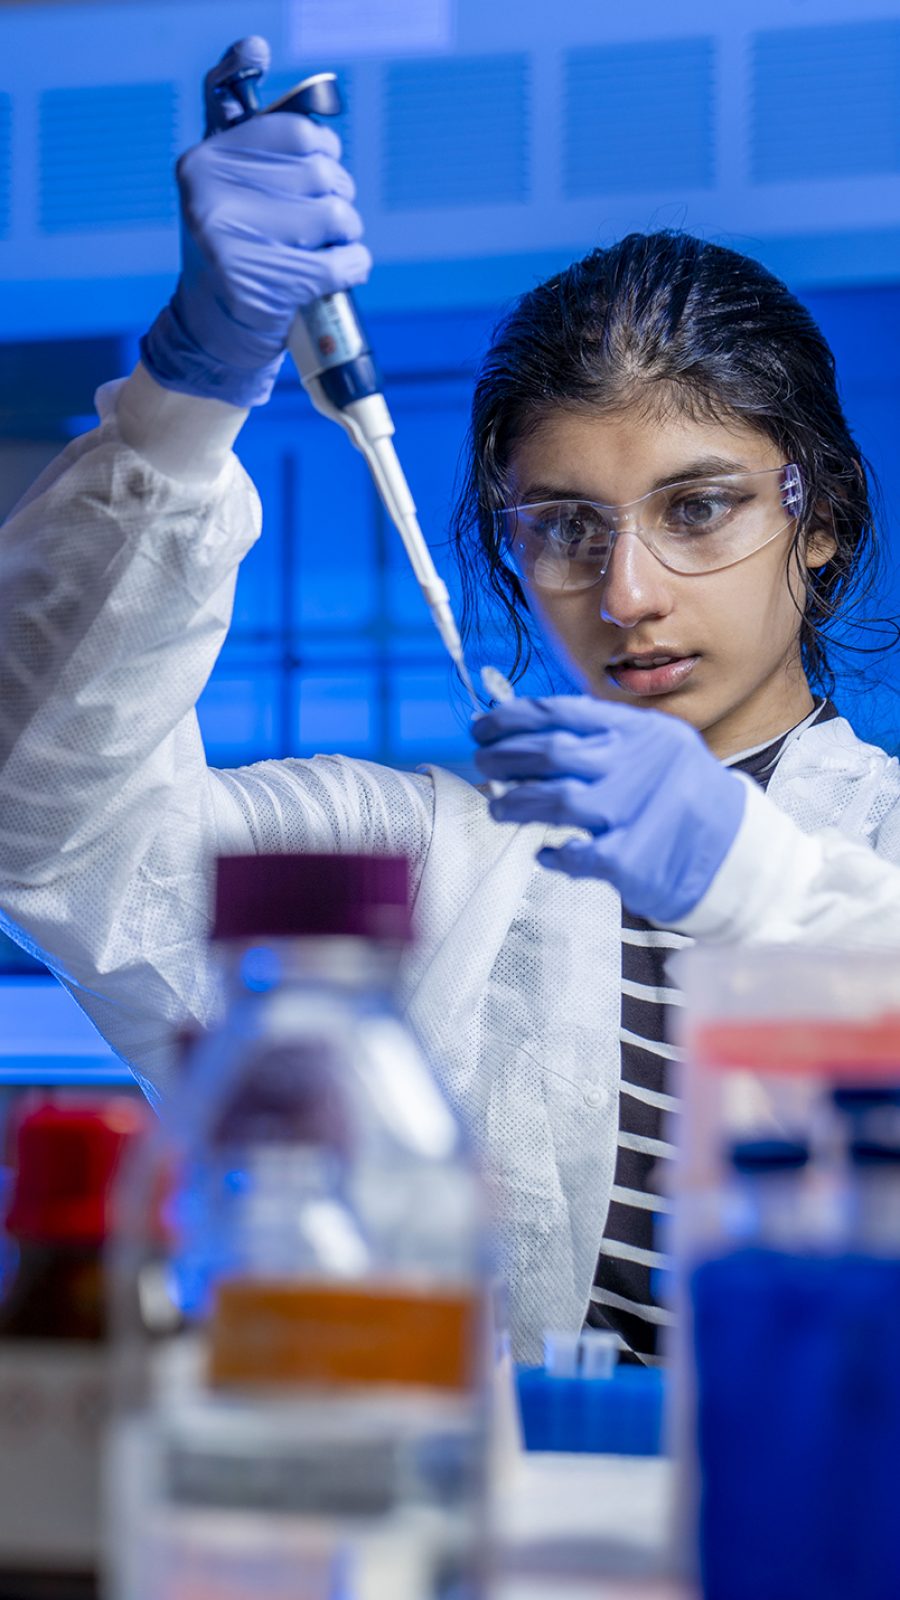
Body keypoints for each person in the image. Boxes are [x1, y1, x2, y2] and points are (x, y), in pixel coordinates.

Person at [1, 37, 900, 1364]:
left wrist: (744, 875)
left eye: (697, 510)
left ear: (814, 518)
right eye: (565, 527)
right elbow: (56, 829)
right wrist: (188, 393)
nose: (631, 592)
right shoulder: (410, 865)